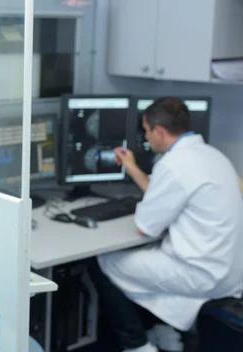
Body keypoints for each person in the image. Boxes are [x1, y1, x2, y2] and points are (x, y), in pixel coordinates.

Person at [88, 97, 243, 352]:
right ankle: (163, 331)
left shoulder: (173, 165)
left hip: (201, 273)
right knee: (146, 263)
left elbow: (145, 227)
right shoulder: (211, 155)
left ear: (159, 130)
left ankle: (136, 345)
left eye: (147, 131)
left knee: (103, 261)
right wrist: (133, 168)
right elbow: (166, 192)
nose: (146, 138)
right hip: (229, 272)